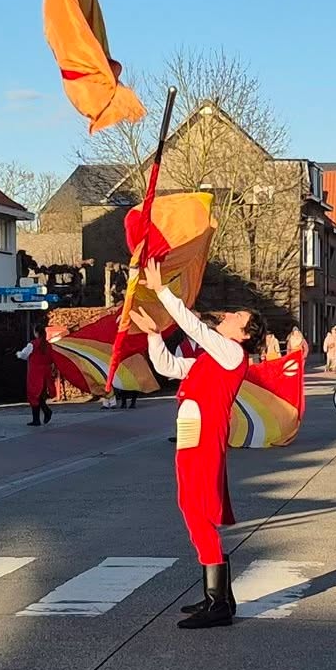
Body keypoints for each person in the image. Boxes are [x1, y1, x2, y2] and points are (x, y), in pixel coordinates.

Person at [126, 258, 255, 628]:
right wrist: (153, 334)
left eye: (236, 317)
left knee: (195, 509)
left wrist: (163, 291)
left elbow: (196, 328)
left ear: (244, 334)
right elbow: (167, 367)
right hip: (190, 436)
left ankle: (218, 602)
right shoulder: (210, 358)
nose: (227, 316)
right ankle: (220, 596)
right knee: (190, 505)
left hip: (203, 437)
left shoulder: (232, 354)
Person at [17, 321, 61, 426]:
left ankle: (38, 418)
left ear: (36, 332)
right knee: (41, 395)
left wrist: (18, 354)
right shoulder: (48, 345)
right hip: (46, 373)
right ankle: (45, 412)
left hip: (35, 373)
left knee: (34, 395)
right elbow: (52, 358)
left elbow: (23, 355)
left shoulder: (32, 344)